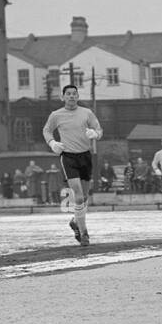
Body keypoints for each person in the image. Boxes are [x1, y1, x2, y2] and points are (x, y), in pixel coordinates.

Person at [42, 84, 103, 246]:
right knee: (78, 194)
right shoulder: (56, 115)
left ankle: (76, 221)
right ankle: (84, 234)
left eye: (74, 94)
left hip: (85, 156)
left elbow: (99, 129)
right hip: (68, 157)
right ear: (62, 97)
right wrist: (52, 142)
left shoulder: (86, 113)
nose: (71, 96)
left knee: (85, 195)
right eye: (68, 94)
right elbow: (47, 130)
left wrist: (95, 134)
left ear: (78, 96)